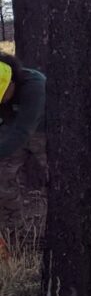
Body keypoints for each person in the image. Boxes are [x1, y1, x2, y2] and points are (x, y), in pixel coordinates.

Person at [0, 52, 47, 238]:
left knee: (47, 177)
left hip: (43, 129)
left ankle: (44, 230)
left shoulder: (35, 86)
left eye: (3, 95)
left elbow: (22, 131)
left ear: (12, 82)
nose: (2, 100)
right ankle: (11, 228)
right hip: (14, 126)